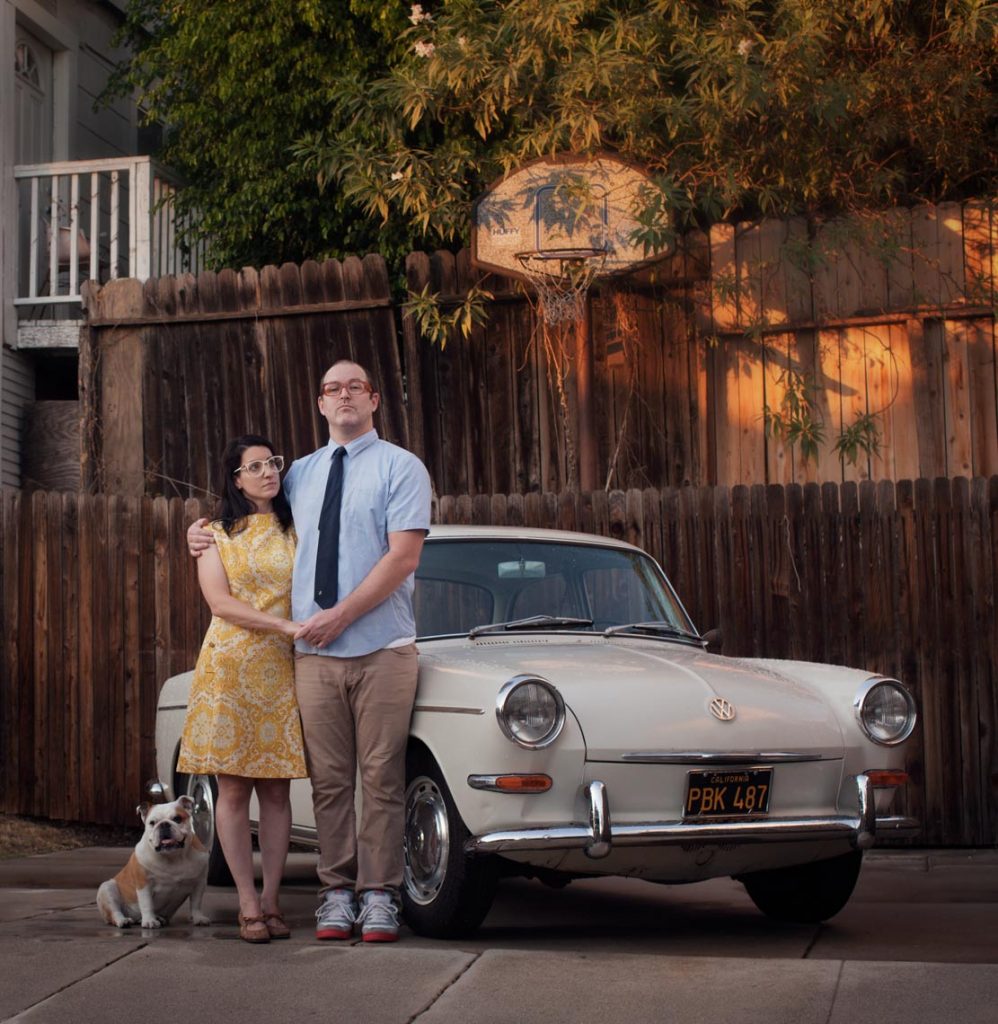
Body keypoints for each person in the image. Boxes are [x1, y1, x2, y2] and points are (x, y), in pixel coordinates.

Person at [189, 360, 432, 943]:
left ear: (374, 399)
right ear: (320, 405)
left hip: (382, 648)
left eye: (354, 387)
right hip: (313, 659)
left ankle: (379, 895)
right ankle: (335, 893)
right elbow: (247, 513)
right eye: (331, 388)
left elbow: (403, 558)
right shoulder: (298, 473)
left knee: (379, 776)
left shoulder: (403, 468)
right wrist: (198, 531)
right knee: (326, 781)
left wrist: (340, 615)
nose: (343, 395)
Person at [178, 434, 307, 944]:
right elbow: (220, 603)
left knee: (277, 788)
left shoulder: (297, 527)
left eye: (273, 463)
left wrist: (292, 634)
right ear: (235, 479)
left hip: (282, 670)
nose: (267, 472)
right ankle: (247, 904)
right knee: (233, 789)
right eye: (254, 467)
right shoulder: (213, 533)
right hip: (231, 667)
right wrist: (284, 628)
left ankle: (274, 900)